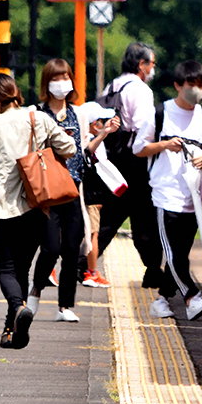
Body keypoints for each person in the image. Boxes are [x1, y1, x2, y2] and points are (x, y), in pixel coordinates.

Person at [0, 73, 76, 349]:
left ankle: (18, 309)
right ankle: (12, 330)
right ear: (15, 93)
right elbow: (69, 148)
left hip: (3, 209)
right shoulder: (37, 118)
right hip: (35, 205)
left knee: (6, 269)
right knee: (22, 269)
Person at [134, 60, 202, 320]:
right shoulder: (160, 113)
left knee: (181, 255)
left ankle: (162, 300)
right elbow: (139, 148)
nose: (196, 90)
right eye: (191, 85)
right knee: (174, 253)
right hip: (165, 194)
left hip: (193, 197)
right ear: (177, 85)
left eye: (201, 86)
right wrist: (164, 145)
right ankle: (192, 297)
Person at [26, 59, 115, 321]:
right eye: (56, 78)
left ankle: (65, 307)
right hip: (47, 191)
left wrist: (103, 134)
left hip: (73, 189)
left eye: (65, 77)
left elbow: (85, 152)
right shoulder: (37, 113)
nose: (61, 83)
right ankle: (35, 291)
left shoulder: (79, 114)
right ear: (47, 83)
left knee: (72, 249)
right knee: (51, 248)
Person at [97, 42, 164, 287]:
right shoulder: (141, 90)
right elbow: (142, 127)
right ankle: (153, 270)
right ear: (141, 64)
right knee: (144, 218)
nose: (153, 68)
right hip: (135, 161)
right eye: (151, 63)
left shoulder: (112, 85)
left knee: (109, 217)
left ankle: (83, 265)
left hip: (111, 158)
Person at [78, 103, 122, 288]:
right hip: (91, 195)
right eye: (101, 121)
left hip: (80, 191)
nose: (104, 124)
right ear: (94, 123)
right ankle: (91, 272)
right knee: (93, 234)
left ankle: (53, 270)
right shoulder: (92, 140)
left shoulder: (76, 138)